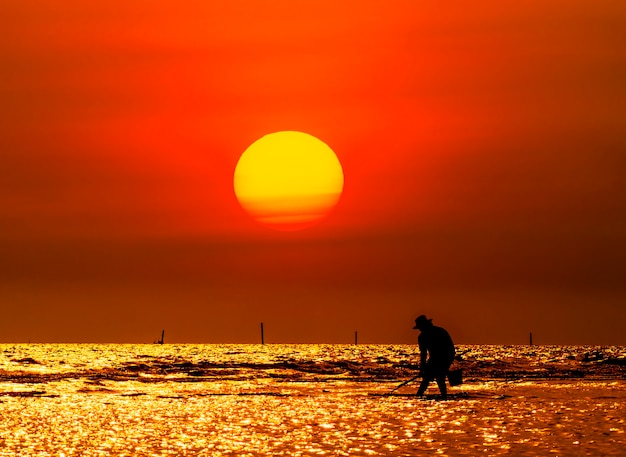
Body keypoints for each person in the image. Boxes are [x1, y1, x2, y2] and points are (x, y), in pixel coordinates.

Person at [413, 315, 455, 398]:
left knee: (439, 377)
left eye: (421, 327)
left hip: (444, 357)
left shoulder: (440, 332)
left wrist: (447, 361)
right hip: (434, 358)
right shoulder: (423, 337)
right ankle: (421, 395)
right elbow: (424, 354)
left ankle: (442, 396)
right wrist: (423, 368)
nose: (420, 329)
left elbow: (450, 349)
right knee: (428, 378)